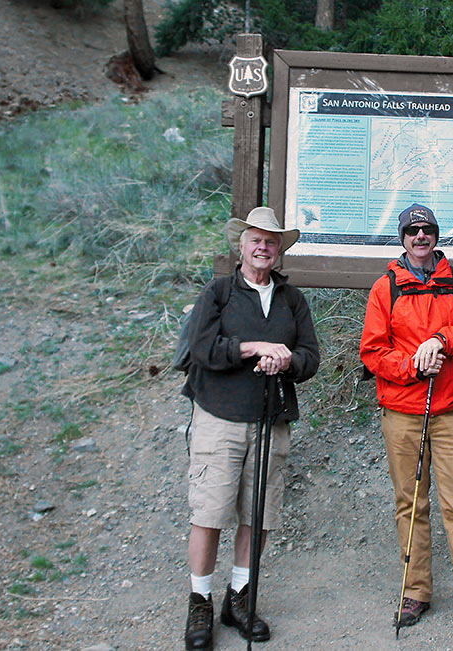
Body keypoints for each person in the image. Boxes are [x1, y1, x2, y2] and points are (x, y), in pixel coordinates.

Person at [360, 204, 453, 638]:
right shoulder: (384, 288)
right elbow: (373, 353)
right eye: (412, 230)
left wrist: (443, 339)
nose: (420, 237)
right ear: (402, 237)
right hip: (403, 413)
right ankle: (415, 591)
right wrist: (413, 364)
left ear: (436, 235)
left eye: (427, 230)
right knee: (411, 504)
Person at [181, 207, 320, 650]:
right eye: (256, 240)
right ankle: (199, 601)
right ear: (240, 246)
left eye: (271, 242)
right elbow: (201, 348)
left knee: (257, 514)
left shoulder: (292, 299)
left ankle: (238, 598)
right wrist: (254, 347)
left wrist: (287, 360)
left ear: (279, 251)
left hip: (269, 419)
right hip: (219, 417)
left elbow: (309, 357)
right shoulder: (218, 293)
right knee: (210, 512)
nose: (263, 248)